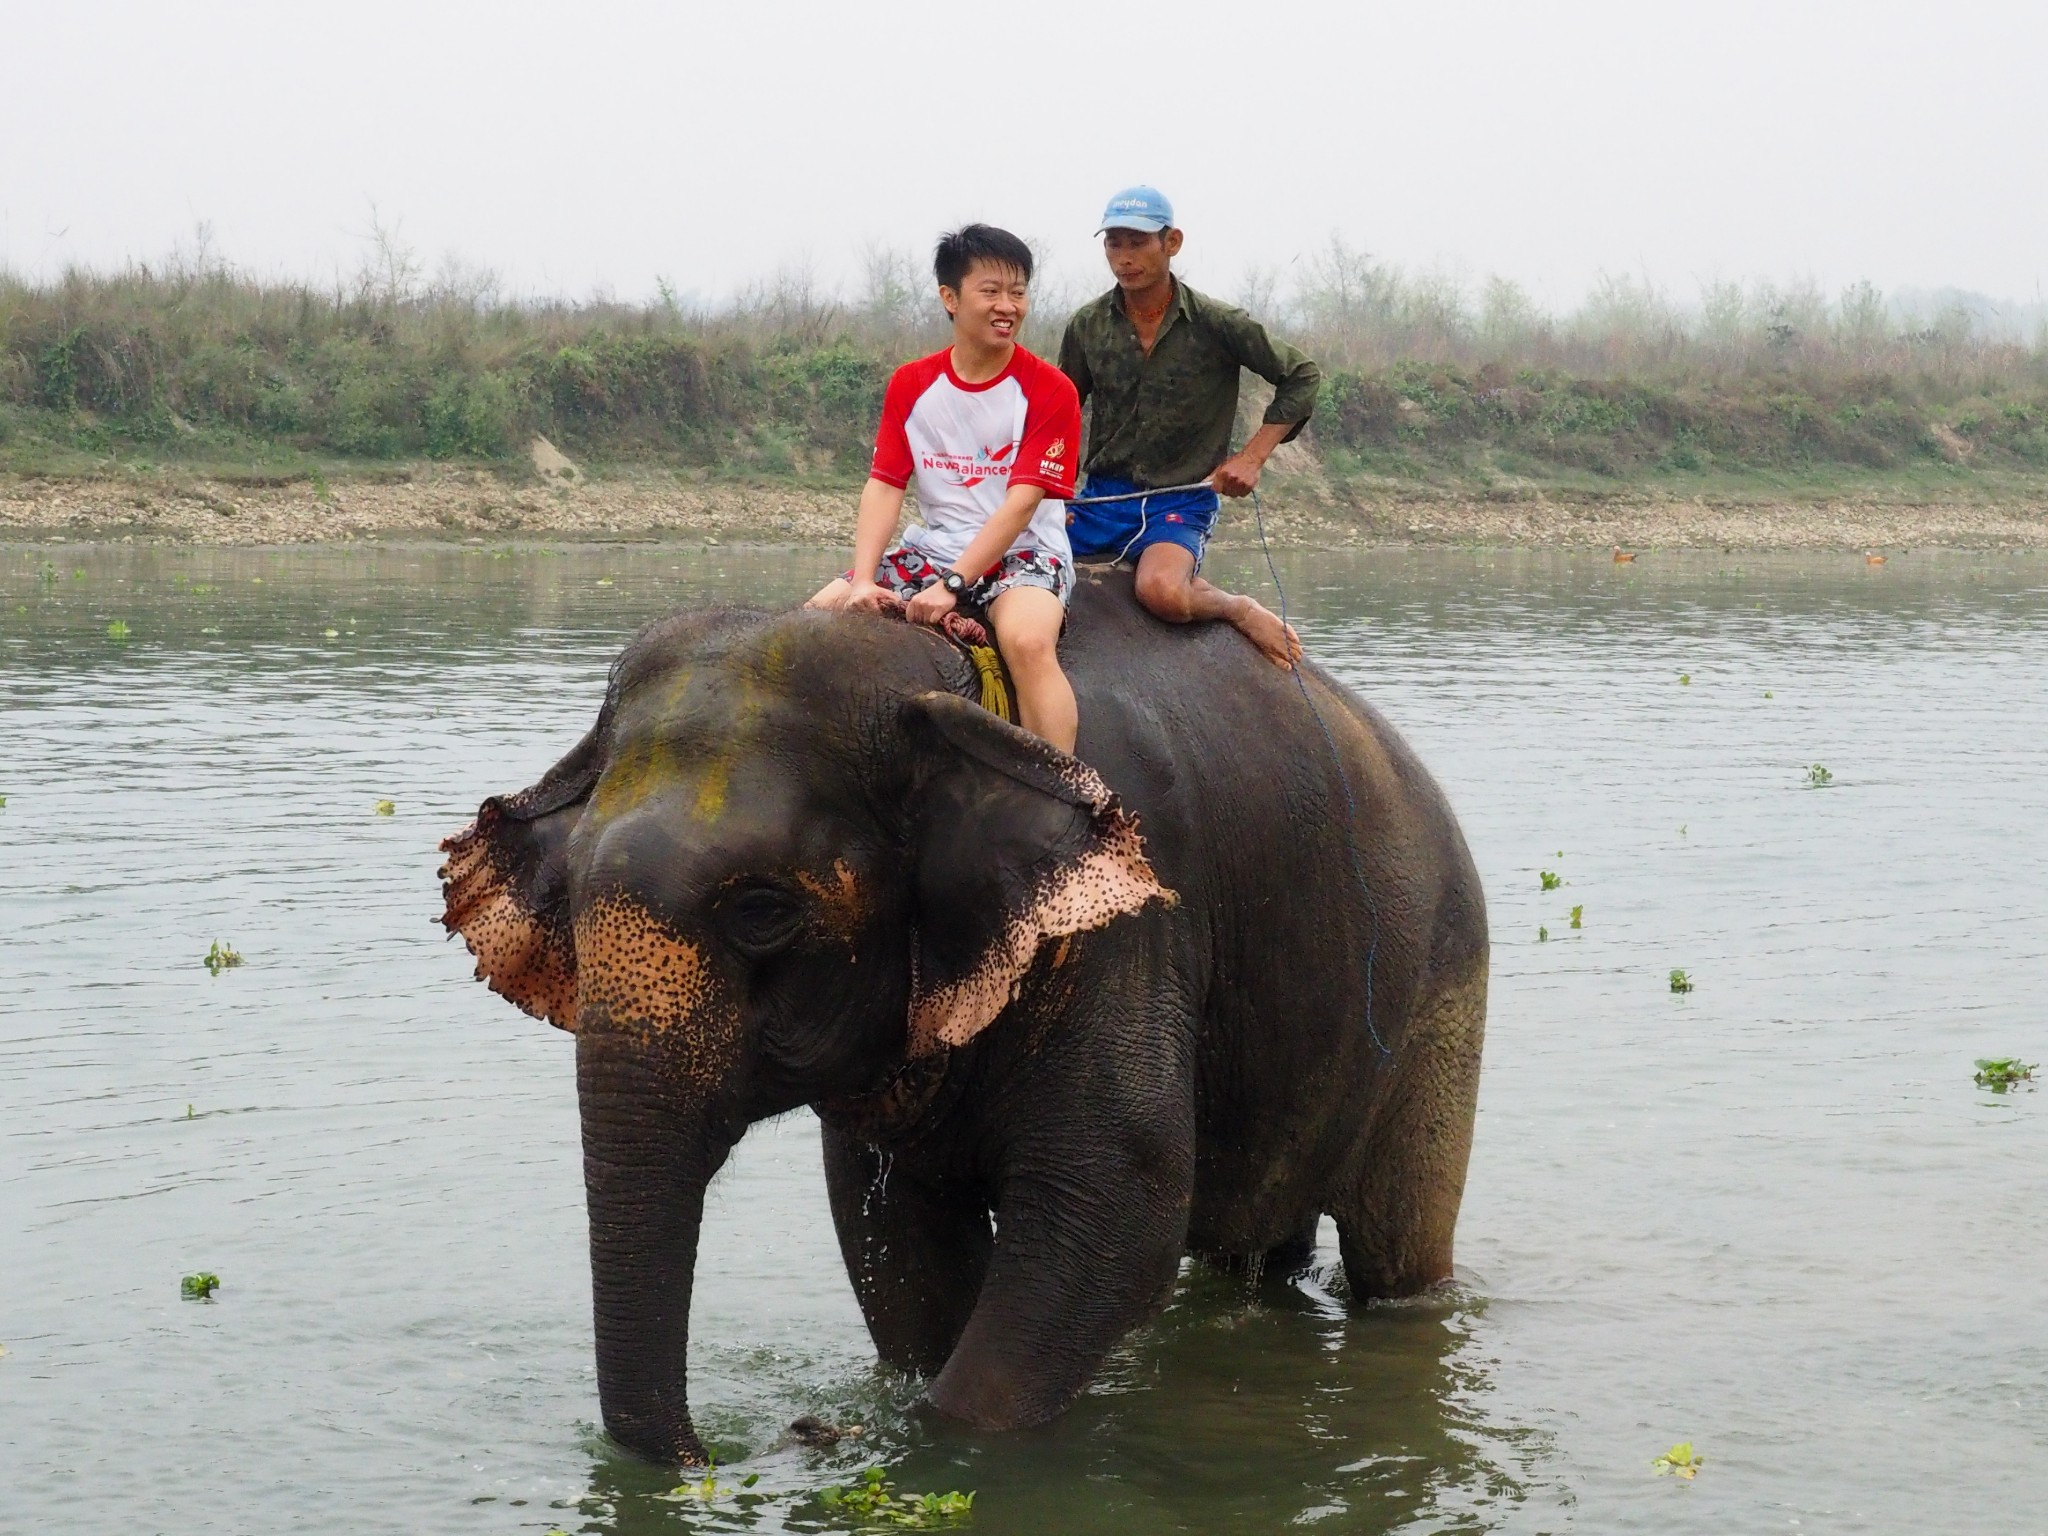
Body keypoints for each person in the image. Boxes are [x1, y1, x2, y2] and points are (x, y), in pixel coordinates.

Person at [808, 224, 1084, 752]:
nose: (1008, 306)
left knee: (1027, 643)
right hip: (934, 549)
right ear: (950, 298)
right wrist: (864, 580)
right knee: (818, 614)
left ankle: (1065, 797)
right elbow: (885, 485)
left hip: (1025, 554)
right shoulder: (912, 384)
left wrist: (953, 586)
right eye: (991, 291)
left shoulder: (1050, 390)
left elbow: (1023, 503)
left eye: (1018, 292)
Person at [1058, 185, 1319, 667]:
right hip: (1102, 498)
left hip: (1179, 498)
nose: (1124, 257)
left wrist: (1251, 457)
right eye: (1114, 243)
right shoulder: (1087, 325)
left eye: (1137, 243)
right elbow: (1063, 408)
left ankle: (1235, 608)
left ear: (1171, 242)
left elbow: (1301, 375)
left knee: (1161, 593)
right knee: (1015, 571)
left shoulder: (1217, 323)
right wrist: (1052, 490)